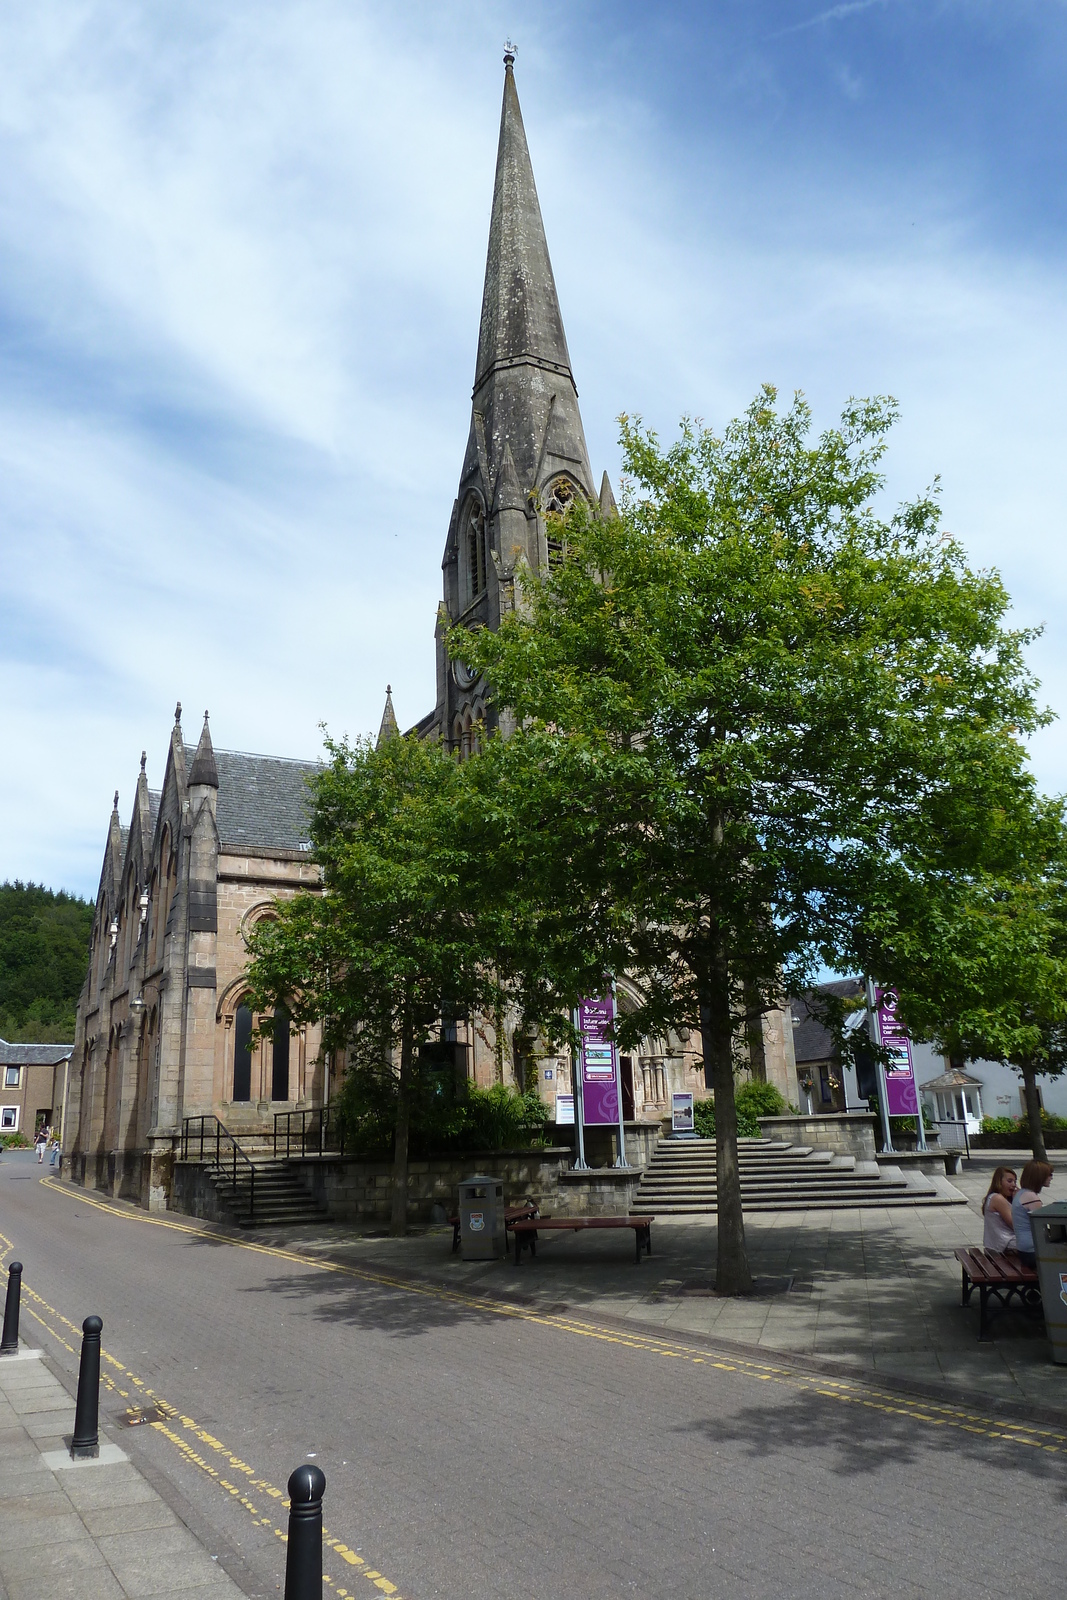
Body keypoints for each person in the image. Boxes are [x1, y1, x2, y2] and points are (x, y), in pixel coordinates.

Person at [1011, 1159, 1054, 1267]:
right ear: (1039, 1177)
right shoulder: (1032, 1198)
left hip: (1023, 1249)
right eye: (1049, 1174)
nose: (1051, 1178)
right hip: (1032, 1252)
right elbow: (1041, 1228)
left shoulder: (1021, 1193)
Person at [981, 1166, 1017, 1252]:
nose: (1014, 1185)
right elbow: (1015, 1225)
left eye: (1015, 1181)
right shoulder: (998, 1199)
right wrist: (1018, 1202)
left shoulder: (995, 1197)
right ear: (999, 1182)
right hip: (1004, 1245)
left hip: (996, 1244)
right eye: (1009, 1181)